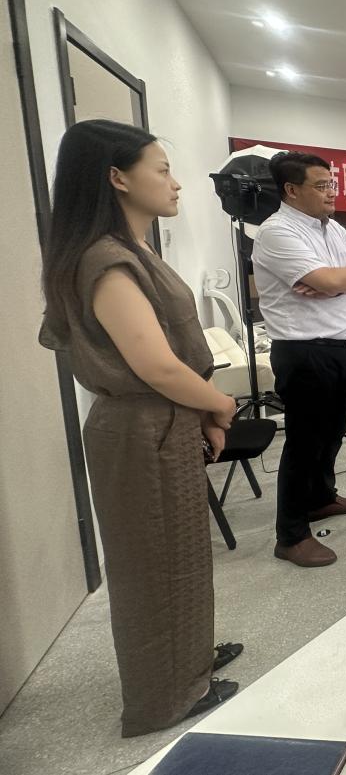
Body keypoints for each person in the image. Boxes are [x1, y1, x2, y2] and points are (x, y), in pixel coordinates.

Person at [39, 120, 242, 736]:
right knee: (153, 565)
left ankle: (190, 660)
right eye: (162, 170)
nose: (175, 184)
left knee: (180, 554)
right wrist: (220, 404)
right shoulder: (107, 261)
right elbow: (155, 365)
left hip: (164, 420)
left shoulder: (135, 248)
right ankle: (165, 699)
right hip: (140, 428)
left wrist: (201, 410)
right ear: (118, 178)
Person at [252, 151, 346, 568]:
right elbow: (330, 277)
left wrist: (341, 281)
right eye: (322, 186)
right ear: (291, 189)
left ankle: (321, 498)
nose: (331, 193)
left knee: (333, 432)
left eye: (332, 184)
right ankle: (290, 535)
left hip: (339, 347)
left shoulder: (333, 227)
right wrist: (338, 279)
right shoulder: (277, 232)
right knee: (304, 443)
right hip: (304, 351)